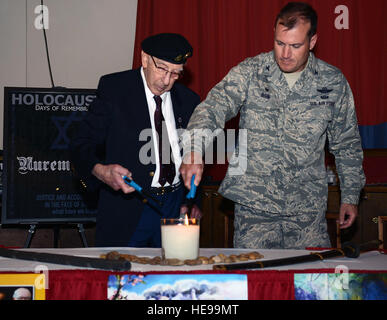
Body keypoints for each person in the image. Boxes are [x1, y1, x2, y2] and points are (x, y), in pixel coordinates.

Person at [180, 2, 365, 249]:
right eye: (280, 43)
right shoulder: (251, 72)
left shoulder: (332, 81)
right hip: (254, 208)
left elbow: (347, 143)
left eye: (295, 45)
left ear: (312, 41)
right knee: (255, 282)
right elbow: (213, 108)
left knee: (307, 281)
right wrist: (194, 149)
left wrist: (350, 196)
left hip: (306, 212)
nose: (285, 53)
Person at [71, 33, 201, 247]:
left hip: (174, 206)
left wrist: (191, 201)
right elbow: (80, 145)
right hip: (128, 207)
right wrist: (101, 171)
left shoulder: (189, 100)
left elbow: (193, 156)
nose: (166, 81)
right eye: (161, 69)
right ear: (144, 59)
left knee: (174, 275)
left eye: (176, 74)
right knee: (122, 277)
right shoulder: (114, 89)